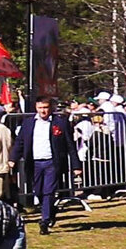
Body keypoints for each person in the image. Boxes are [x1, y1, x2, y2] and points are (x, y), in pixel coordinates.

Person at [9, 96, 82, 235]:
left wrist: (76, 165)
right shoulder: (28, 123)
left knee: (49, 190)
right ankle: (50, 210)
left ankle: (44, 220)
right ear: (36, 108)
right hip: (34, 162)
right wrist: (13, 158)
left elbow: (70, 145)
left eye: (45, 108)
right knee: (38, 191)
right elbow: (20, 142)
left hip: (52, 162)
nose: (43, 111)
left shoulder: (60, 122)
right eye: (40, 108)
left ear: (51, 108)